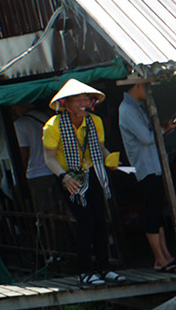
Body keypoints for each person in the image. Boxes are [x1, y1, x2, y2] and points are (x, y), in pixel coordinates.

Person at [42, 78, 125, 286]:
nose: (82, 103)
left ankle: (104, 268)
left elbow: (100, 148)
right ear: (66, 104)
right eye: (77, 100)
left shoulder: (94, 121)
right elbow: (49, 158)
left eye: (86, 99)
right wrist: (65, 177)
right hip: (68, 176)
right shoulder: (53, 126)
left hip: (93, 172)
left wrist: (112, 160)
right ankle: (85, 271)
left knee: (100, 220)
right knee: (85, 222)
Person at [118, 81, 176, 272]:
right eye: (147, 87)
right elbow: (146, 138)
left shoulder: (135, 106)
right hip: (145, 166)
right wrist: (162, 129)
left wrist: (165, 128)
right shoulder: (127, 108)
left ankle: (165, 255)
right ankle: (159, 259)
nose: (150, 91)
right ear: (138, 85)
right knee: (152, 211)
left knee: (157, 211)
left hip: (153, 165)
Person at [12, 103, 60, 217]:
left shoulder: (20, 124)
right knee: (61, 207)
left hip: (37, 174)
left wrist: (19, 178)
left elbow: (24, 154)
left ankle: (54, 233)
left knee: (45, 212)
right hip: (56, 169)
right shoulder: (47, 118)